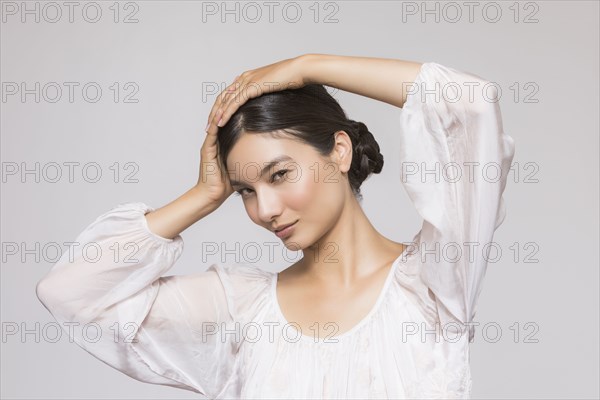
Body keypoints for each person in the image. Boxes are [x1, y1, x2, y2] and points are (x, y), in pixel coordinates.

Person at [36, 53, 516, 399]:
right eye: (245, 190)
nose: (264, 209)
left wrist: (308, 66)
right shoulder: (241, 313)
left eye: (279, 174)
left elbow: (470, 103)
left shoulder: (432, 285)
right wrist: (204, 196)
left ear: (340, 151)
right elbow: (70, 292)